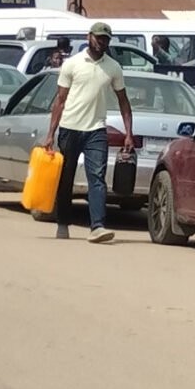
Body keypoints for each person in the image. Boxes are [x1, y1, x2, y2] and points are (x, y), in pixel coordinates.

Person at [40, 22, 134, 243]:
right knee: (66, 178)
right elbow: (59, 101)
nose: (102, 42)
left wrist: (129, 132)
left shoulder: (113, 67)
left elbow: (123, 101)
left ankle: (97, 227)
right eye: (99, 38)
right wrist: (50, 134)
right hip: (70, 128)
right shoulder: (72, 64)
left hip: (96, 130)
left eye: (106, 39)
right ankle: (63, 223)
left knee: (97, 177)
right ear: (89, 36)